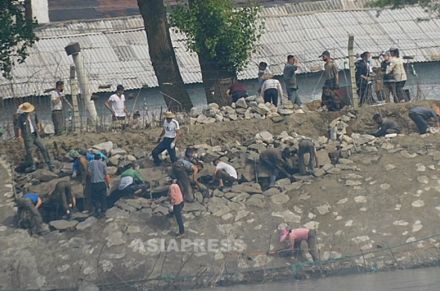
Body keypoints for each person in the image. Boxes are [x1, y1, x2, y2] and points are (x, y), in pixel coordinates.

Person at [16, 102, 54, 173]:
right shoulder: (21, 117)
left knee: (43, 147)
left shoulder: (33, 114)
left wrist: (39, 128)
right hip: (27, 136)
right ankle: (32, 165)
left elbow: (37, 121)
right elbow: (19, 127)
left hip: (35, 134)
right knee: (29, 151)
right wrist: (19, 136)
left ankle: (49, 163)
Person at [88, 153, 109, 217]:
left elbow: (89, 173)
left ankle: (97, 209)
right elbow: (106, 174)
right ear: (100, 158)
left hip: (94, 183)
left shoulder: (90, 163)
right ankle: (103, 211)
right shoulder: (103, 163)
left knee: (95, 198)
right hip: (102, 183)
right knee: (103, 198)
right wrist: (108, 184)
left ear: (94, 158)